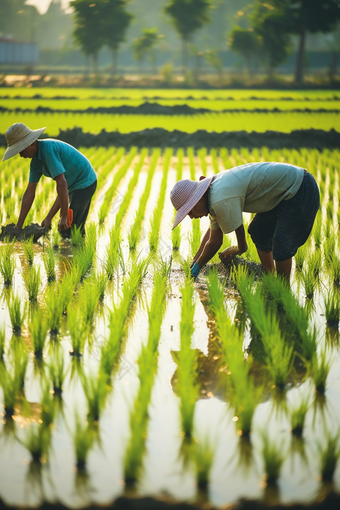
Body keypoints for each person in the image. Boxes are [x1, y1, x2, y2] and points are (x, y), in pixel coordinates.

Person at [170, 161, 320, 283]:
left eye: (189, 211)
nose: (191, 217)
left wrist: (239, 248)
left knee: (281, 242)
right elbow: (212, 239)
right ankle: (270, 278)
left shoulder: (219, 199)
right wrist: (194, 265)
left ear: (197, 201)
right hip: (281, 196)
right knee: (258, 231)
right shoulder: (212, 196)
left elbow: (222, 242)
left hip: (299, 188)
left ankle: (283, 292)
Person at [2, 123, 97, 236]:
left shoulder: (48, 150)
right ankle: (74, 248)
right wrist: (19, 226)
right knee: (69, 228)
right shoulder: (35, 163)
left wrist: (64, 216)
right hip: (70, 185)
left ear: (31, 143)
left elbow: (62, 185)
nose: (21, 155)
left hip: (85, 181)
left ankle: (76, 249)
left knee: (71, 227)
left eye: (21, 150)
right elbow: (30, 192)